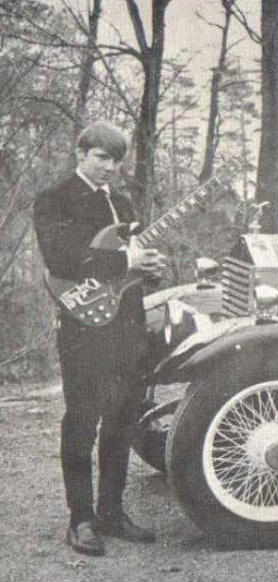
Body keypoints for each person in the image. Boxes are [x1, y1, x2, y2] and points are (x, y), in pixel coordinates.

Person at [32, 121, 166, 556]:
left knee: (122, 419)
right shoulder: (55, 198)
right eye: (101, 157)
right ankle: (81, 520)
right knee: (82, 421)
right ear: (81, 154)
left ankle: (111, 511)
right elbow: (61, 259)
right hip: (83, 330)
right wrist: (127, 260)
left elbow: (127, 273)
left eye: (117, 160)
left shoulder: (122, 203)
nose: (110, 167)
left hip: (126, 326)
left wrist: (148, 270)